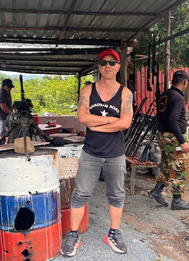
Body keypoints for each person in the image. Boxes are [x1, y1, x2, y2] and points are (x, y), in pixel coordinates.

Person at [61, 48, 133, 257]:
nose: (108, 66)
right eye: (104, 62)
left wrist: (98, 123)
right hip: (91, 152)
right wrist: (113, 121)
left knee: (117, 194)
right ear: (99, 67)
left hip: (115, 153)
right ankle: (73, 235)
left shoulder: (125, 93)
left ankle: (113, 233)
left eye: (112, 62)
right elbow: (83, 118)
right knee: (81, 193)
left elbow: (126, 122)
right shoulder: (88, 90)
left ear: (118, 66)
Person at [148, 70, 189, 210]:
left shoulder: (166, 95)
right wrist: (182, 141)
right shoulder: (178, 97)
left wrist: (182, 122)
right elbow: (172, 120)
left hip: (163, 135)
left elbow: (168, 117)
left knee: (169, 166)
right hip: (172, 138)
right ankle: (177, 201)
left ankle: (157, 190)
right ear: (185, 82)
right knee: (181, 168)